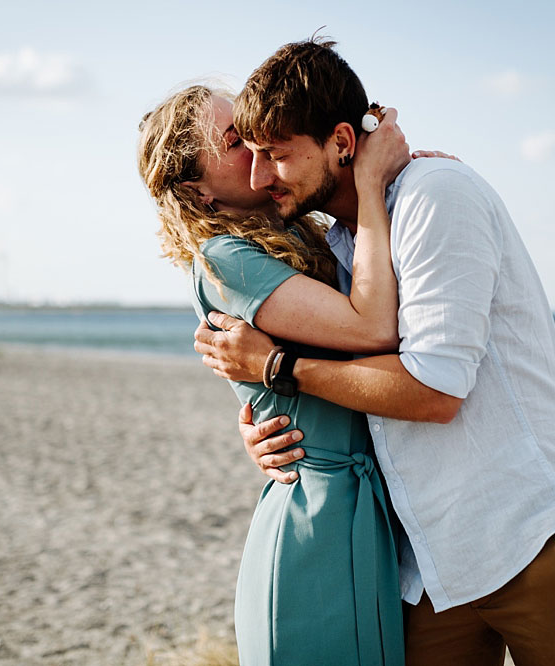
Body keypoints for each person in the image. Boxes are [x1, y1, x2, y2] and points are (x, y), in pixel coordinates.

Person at [193, 39, 555, 665]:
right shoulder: (343, 240)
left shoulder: (433, 196)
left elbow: (434, 391)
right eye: (252, 154)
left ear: (342, 142)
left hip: (534, 534)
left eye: (278, 155)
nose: (261, 176)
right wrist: (264, 425)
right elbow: (352, 376)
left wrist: (276, 368)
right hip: (426, 562)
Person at [137, 84, 446, 664]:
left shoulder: (299, 232)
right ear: (195, 190)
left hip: (365, 512)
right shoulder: (227, 260)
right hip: (316, 520)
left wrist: (409, 175)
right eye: (235, 141)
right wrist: (375, 186)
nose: (258, 146)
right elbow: (372, 329)